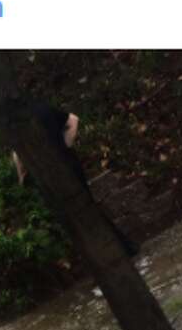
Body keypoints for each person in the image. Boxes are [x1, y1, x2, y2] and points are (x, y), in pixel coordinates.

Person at [10, 101, 139, 258]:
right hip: (70, 165)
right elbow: (73, 120)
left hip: (51, 174)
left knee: (78, 217)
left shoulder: (16, 123)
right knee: (87, 207)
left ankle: (121, 249)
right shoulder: (41, 107)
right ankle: (122, 248)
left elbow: (18, 154)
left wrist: (21, 176)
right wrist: (65, 148)